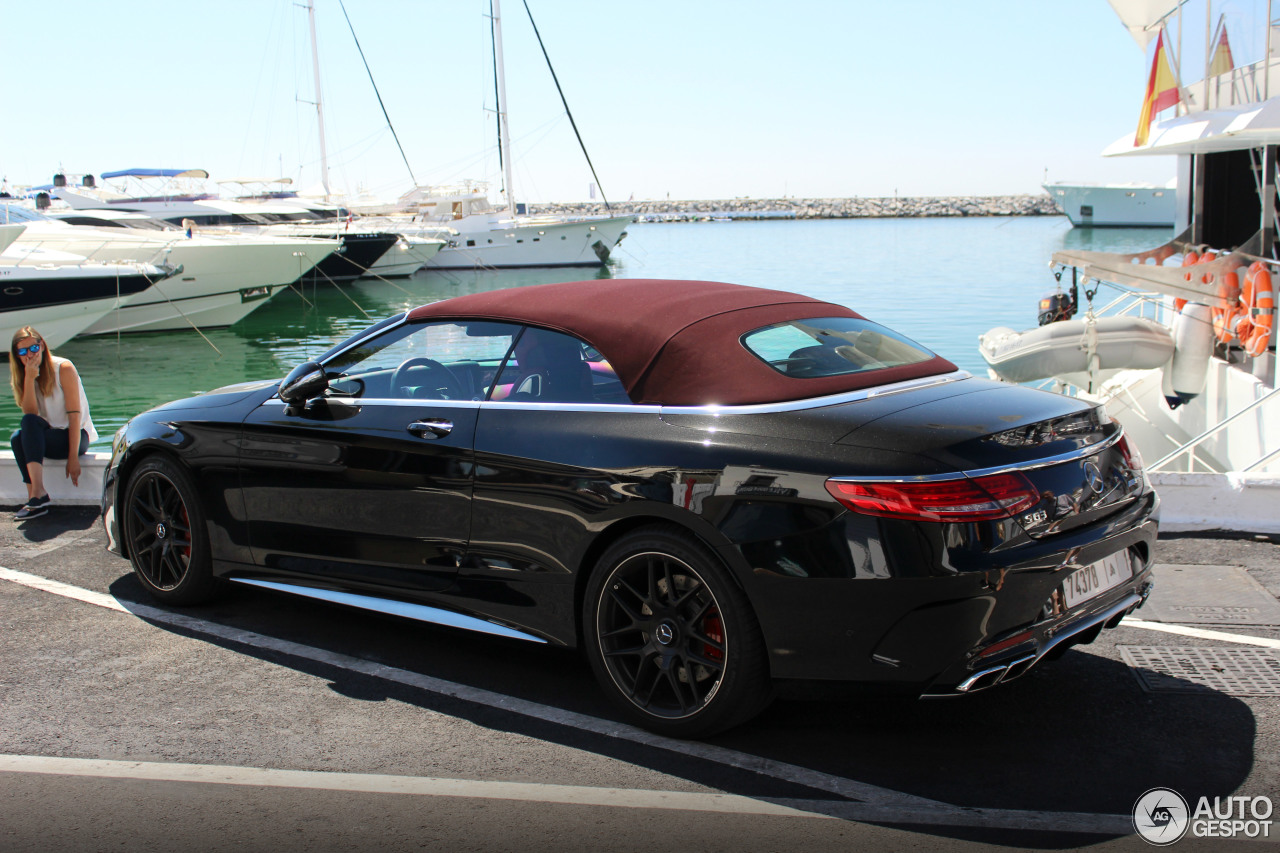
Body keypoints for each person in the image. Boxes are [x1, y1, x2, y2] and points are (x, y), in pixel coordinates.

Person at [8, 327, 97, 520]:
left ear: (42, 345)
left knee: (26, 428)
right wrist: (30, 379)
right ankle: (35, 496)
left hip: (75, 435)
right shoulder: (25, 373)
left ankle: (37, 496)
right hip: (49, 436)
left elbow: (75, 415)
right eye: (23, 352)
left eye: (33, 348)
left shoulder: (63, 368)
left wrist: (73, 457)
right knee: (17, 436)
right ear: (17, 356)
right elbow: (30, 413)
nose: (30, 355)